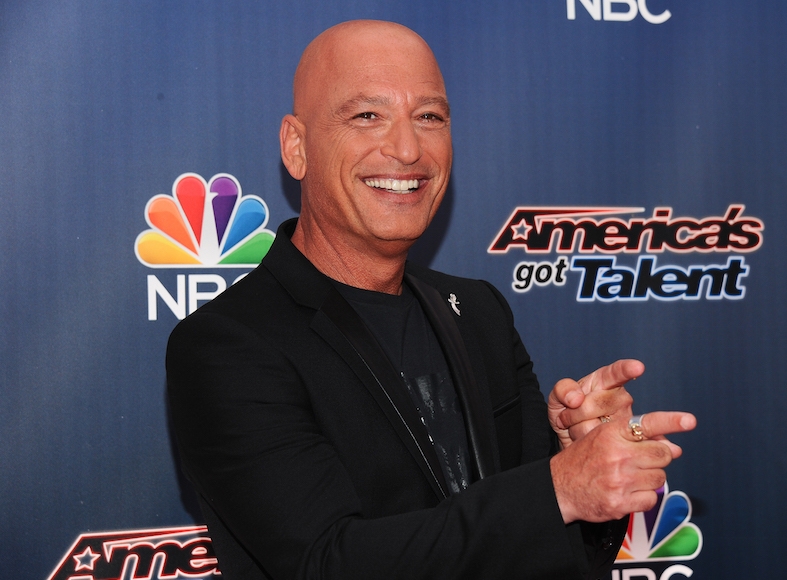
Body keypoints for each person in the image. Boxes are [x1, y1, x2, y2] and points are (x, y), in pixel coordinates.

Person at [166, 19, 696, 580]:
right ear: (296, 147)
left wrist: (578, 463)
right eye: (367, 115)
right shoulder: (228, 344)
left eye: (430, 117)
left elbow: (556, 555)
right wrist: (556, 491)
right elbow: (324, 563)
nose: (406, 147)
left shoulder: (480, 314)